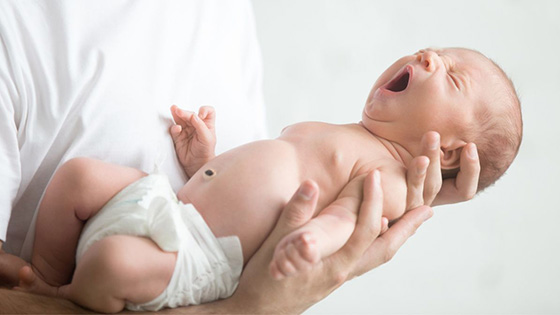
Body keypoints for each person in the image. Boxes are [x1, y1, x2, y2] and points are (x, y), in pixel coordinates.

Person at [0, 1, 482, 313]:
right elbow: (254, 173)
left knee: (114, 263)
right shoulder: (338, 132)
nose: (427, 56)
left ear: (453, 151)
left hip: (200, 254)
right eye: (434, 50)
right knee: (79, 177)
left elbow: (343, 216)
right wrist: (204, 161)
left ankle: (67, 295)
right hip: (170, 201)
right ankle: (41, 274)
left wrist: (313, 240)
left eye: (452, 76)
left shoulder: (389, 178)